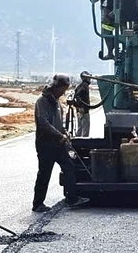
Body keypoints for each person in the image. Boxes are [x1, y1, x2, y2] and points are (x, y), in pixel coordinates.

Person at [34, 73, 80, 211]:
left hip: (58, 143)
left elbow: (58, 121)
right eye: (62, 90)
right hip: (46, 144)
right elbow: (43, 123)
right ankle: (37, 204)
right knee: (44, 173)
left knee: (69, 167)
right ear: (55, 87)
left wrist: (64, 131)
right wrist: (59, 134)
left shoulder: (57, 101)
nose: (63, 93)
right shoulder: (42, 102)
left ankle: (72, 198)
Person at [69, 71, 100, 137]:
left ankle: (77, 142)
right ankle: (84, 144)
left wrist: (77, 106)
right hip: (84, 110)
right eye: (89, 78)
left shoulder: (80, 86)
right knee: (85, 128)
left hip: (80, 109)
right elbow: (78, 95)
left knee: (80, 128)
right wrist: (82, 106)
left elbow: (76, 95)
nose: (90, 79)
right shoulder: (84, 86)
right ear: (86, 78)